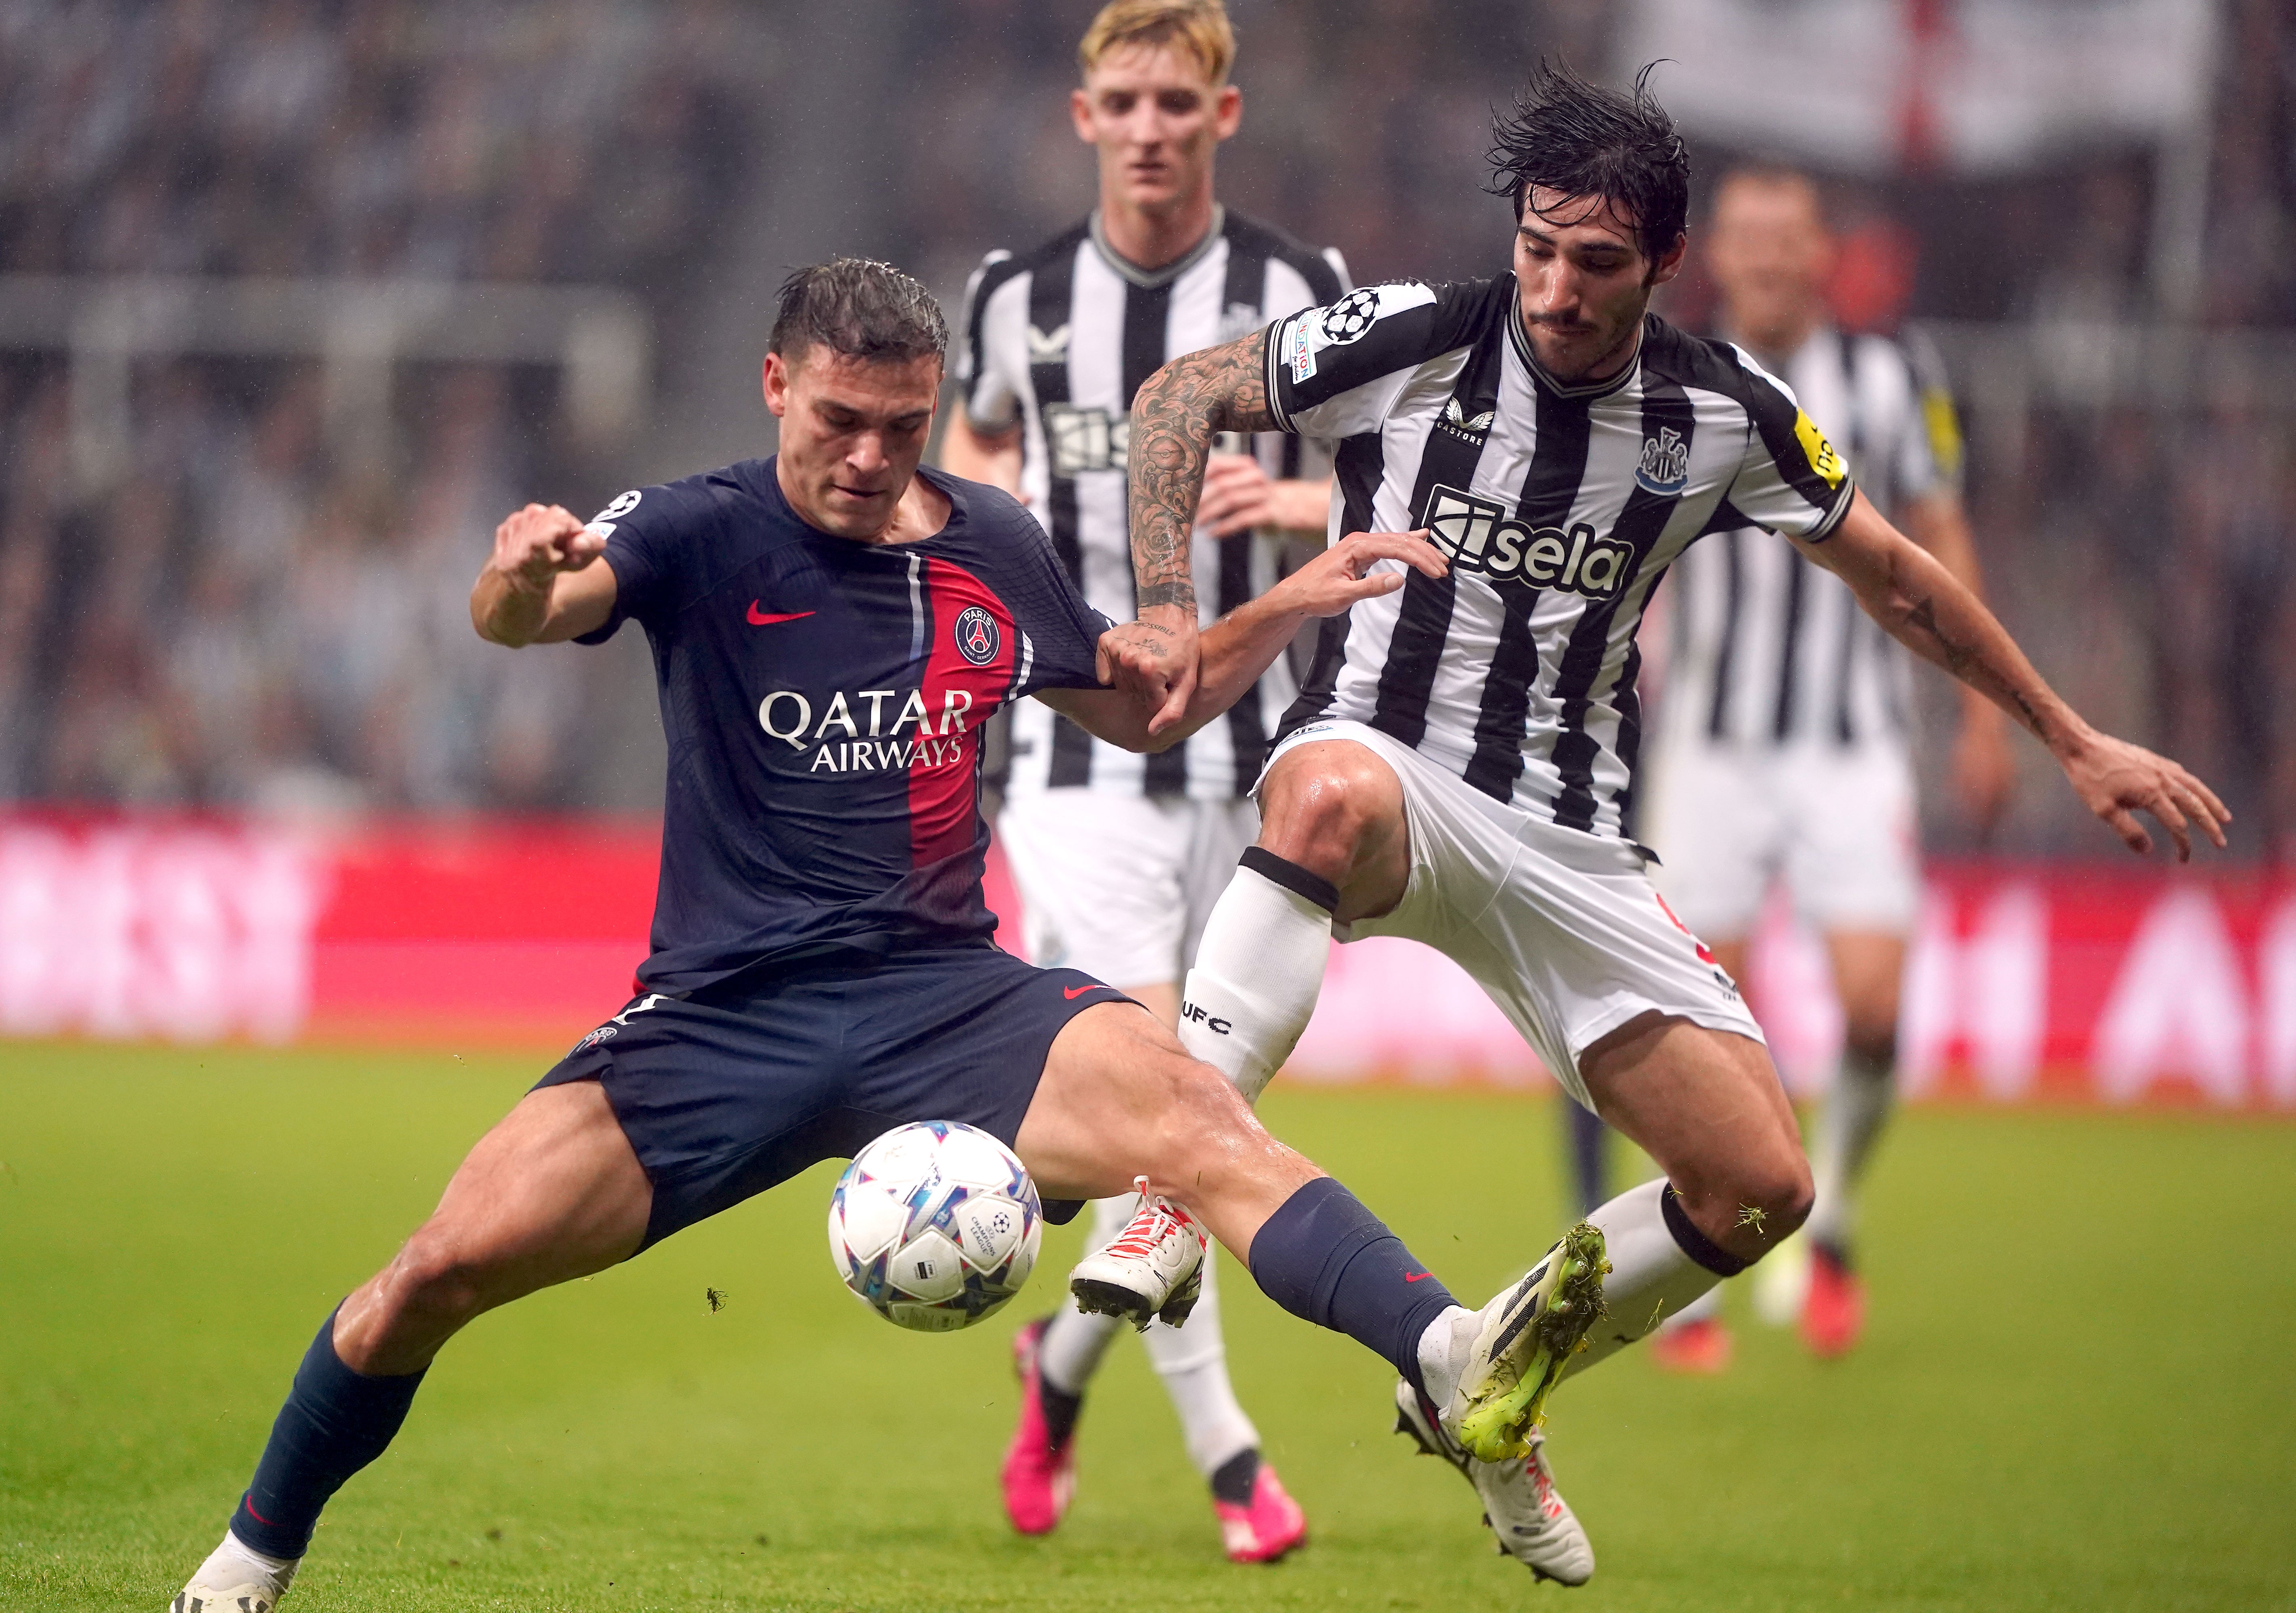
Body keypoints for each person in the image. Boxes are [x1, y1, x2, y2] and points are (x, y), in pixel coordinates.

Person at [167, 258, 1602, 1613]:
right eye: (841, 421)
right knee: (433, 1274)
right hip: (723, 1014)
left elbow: (1140, 707)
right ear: (776, 382)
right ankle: (248, 1560)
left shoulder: (989, 545)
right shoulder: (696, 526)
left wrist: (1281, 605)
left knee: (1207, 1126)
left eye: (904, 428)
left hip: (946, 999)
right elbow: (522, 620)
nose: (869, 457)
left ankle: (1453, 1364)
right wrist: (524, 572)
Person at [1103, 62, 2229, 1586]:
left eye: (1599, 264)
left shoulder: (1725, 414)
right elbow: (1181, 396)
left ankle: (1485, 1373)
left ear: (1664, 268)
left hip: (1572, 839)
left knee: (1760, 1184)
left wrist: (2068, 736)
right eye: (1537, 250)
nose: (1558, 293)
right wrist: (1169, 610)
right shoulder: (1412, 337)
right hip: (1390, 764)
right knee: (1321, 785)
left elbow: (1895, 574)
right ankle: (1172, 1191)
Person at [939, 0, 1342, 1560]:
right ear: (1082, 114)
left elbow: (1389, 476)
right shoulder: (1016, 300)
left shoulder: (1296, 292)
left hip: (1254, 747)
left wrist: (1298, 492)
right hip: (1071, 749)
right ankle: (1233, 1460)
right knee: (1161, 1100)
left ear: (1223, 116)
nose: (1153, 125)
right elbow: (962, 469)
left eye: (1181, 99)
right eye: (1127, 99)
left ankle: (1058, 1364)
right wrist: (999, 504)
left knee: (1197, 1118)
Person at [1639, 164, 2016, 1372]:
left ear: (1819, 254)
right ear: (1715, 256)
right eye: (1741, 239)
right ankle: (1696, 1273)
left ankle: (1836, 1210)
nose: (1761, 258)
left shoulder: (1894, 378)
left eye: (1782, 239)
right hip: (1707, 745)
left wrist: (1983, 716)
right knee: (1706, 1021)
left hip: (1852, 742)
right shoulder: (1670, 373)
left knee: (1871, 1006)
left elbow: (1940, 527)